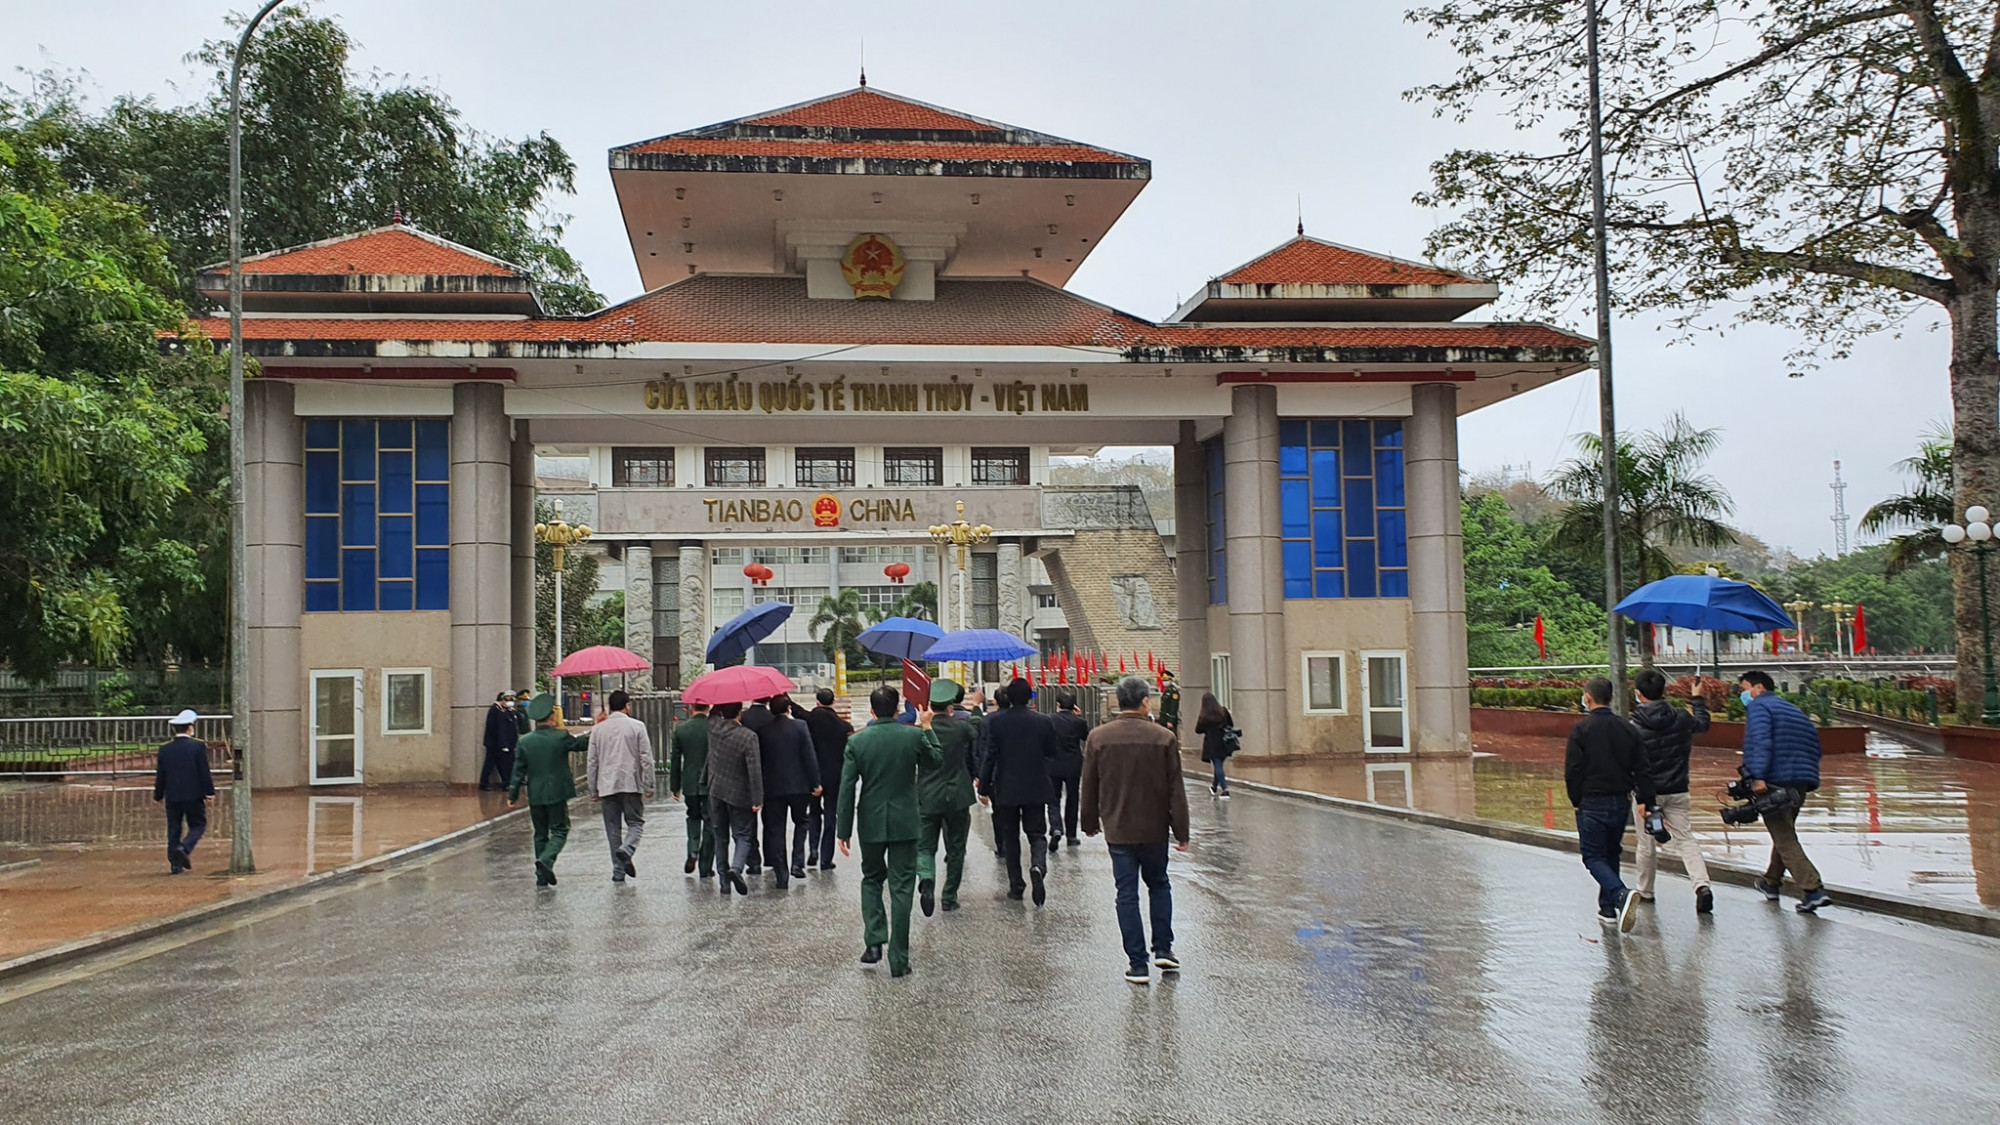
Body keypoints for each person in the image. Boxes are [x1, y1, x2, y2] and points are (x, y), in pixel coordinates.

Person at [1081, 676, 1190, 985]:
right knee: (1159, 885)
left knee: (1126, 894)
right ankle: (1164, 948)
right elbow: (1175, 790)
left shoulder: (1098, 738)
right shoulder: (1163, 738)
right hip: (1155, 827)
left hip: (1118, 828)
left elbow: (1089, 785)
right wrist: (1181, 831)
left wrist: (1089, 822)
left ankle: (1137, 963)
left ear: (1118, 702)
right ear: (1145, 702)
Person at [835, 686, 944, 978]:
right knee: (902, 887)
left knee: (871, 879)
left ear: (871, 711)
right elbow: (936, 761)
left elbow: (846, 788)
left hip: (870, 821)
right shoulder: (913, 736)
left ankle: (873, 941)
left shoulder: (857, 742)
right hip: (906, 821)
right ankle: (899, 959)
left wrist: (842, 829)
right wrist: (927, 725)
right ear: (897, 710)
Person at [1564, 677, 1655, 932]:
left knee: (1593, 856)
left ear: (1588, 698)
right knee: (1611, 852)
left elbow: (1573, 769)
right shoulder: (1627, 729)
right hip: (1620, 801)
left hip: (1592, 801)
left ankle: (1619, 894)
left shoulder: (1581, 730)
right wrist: (1647, 799)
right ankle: (1607, 908)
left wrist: (1576, 799)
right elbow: (1642, 768)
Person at [1740, 670, 1830, 913]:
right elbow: (1814, 746)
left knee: (1784, 837)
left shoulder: (1759, 708)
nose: (1743, 694)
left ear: (1758, 688)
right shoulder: (1792, 710)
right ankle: (1771, 882)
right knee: (1784, 832)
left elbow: (1760, 742)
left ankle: (1813, 889)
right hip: (1800, 780)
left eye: (1744, 688)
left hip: (1774, 781)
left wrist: (1758, 776)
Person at [1629, 669, 1714, 914]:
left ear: (1638, 694)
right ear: (1664, 691)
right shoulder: (1681, 718)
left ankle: (1646, 891)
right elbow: (1703, 724)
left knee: (1646, 843)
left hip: (1648, 795)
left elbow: (1632, 765)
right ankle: (1701, 885)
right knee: (1685, 838)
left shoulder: (1633, 727)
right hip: (1678, 788)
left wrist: (1639, 796)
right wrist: (1697, 699)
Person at [980, 678, 1058, 905]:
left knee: (1010, 836)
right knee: (1037, 833)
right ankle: (1038, 865)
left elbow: (990, 756)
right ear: (1030, 696)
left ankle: (1016, 885)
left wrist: (984, 786)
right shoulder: (1044, 721)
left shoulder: (998, 723)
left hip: (1007, 787)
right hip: (1035, 784)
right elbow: (1051, 752)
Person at [507, 693, 589, 886]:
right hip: (557, 793)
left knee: (540, 833)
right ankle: (546, 860)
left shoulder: (524, 741)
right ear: (552, 716)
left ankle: (541, 876)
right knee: (560, 830)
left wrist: (512, 794)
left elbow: (518, 771)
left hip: (535, 793)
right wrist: (599, 728)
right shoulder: (560, 737)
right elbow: (580, 745)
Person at [917, 679, 980, 916]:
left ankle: (926, 877)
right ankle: (949, 897)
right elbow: (976, 729)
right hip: (957, 795)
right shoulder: (960, 728)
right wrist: (976, 707)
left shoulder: (920, 733)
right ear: (951, 707)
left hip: (927, 796)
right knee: (956, 848)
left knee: (925, 847)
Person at [747, 693, 820, 889]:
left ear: (771, 710)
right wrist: (815, 783)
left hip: (773, 788)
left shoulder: (763, 731)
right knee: (802, 822)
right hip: (799, 786)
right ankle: (798, 861)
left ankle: (782, 875)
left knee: (776, 829)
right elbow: (809, 755)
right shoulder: (800, 727)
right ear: (788, 709)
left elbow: (760, 762)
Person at [585, 689, 655, 884]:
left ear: (609, 707)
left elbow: (592, 761)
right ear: (627, 706)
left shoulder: (598, 729)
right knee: (636, 823)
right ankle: (628, 848)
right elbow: (646, 758)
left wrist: (593, 789)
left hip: (607, 785)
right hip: (631, 783)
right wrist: (649, 784)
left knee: (612, 828)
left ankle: (618, 870)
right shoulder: (637, 726)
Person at [705, 700, 764, 896]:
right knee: (743, 835)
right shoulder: (748, 737)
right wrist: (758, 799)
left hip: (715, 790)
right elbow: (754, 770)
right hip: (739, 793)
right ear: (740, 713)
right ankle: (736, 868)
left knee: (720, 836)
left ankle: (724, 883)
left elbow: (712, 714)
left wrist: (719, 701)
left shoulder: (713, 728)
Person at [152, 709, 215, 874]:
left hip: (173, 796)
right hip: (194, 795)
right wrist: (209, 792)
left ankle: (175, 864)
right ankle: (184, 848)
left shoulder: (165, 749)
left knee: (174, 828)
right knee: (198, 825)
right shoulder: (198, 747)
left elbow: (161, 775)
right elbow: (203, 772)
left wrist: (158, 795)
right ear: (190, 728)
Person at [805, 688, 854, 871]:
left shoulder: (809, 720)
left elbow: (796, 710)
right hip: (835, 776)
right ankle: (826, 858)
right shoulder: (845, 727)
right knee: (830, 815)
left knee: (814, 812)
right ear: (833, 702)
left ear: (817, 702)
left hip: (813, 775)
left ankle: (813, 849)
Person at [670, 701, 714, 879]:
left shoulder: (681, 730)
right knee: (710, 823)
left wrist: (675, 786)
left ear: (691, 708)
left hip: (689, 783)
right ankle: (706, 866)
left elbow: (675, 760)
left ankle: (692, 850)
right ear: (708, 708)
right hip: (710, 782)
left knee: (693, 817)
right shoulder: (713, 728)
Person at [1047, 689, 1089, 846]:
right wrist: (1078, 716)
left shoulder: (1050, 720)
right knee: (1072, 798)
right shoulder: (1079, 722)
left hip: (1053, 764)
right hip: (1073, 764)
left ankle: (1056, 827)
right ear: (1074, 706)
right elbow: (1086, 737)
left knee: (1053, 799)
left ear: (1058, 705)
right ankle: (1071, 835)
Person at [1193, 692, 1234, 798]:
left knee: (1218, 765)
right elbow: (1231, 724)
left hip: (1211, 743)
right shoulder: (1223, 711)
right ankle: (1214, 786)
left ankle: (1225, 789)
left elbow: (1198, 730)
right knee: (1219, 765)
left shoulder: (1204, 716)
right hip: (1224, 742)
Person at [480, 691, 519, 791]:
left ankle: (506, 783)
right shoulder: (495, 710)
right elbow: (498, 729)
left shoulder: (507, 710)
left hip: (504, 743)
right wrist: (503, 744)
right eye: (508, 700)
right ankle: (484, 783)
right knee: (491, 764)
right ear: (502, 700)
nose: (510, 703)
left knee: (504, 764)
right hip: (495, 743)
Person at [1156, 670, 1181, 738]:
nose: (1164, 682)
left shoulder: (1173, 691)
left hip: (1169, 719)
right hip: (1164, 718)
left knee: (1171, 737)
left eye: (1166, 680)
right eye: (1163, 680)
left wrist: (1171, 720)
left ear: (1170, 680)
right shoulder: (1166, 690)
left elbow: (1174, 706)